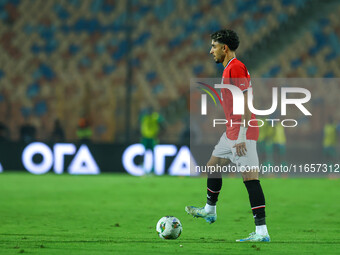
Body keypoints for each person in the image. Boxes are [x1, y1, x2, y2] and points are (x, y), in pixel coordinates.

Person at [185, 29, 270, 242]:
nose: (210, 50)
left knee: (250, 179)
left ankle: (262, 232)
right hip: (233, 130)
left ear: (224, 48)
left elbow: (246, 101)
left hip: (243, 131)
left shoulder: (236, 67)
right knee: (212, 166)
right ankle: (209, 210)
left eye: (214, 46)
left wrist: (241, 134)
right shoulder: (229, 69)